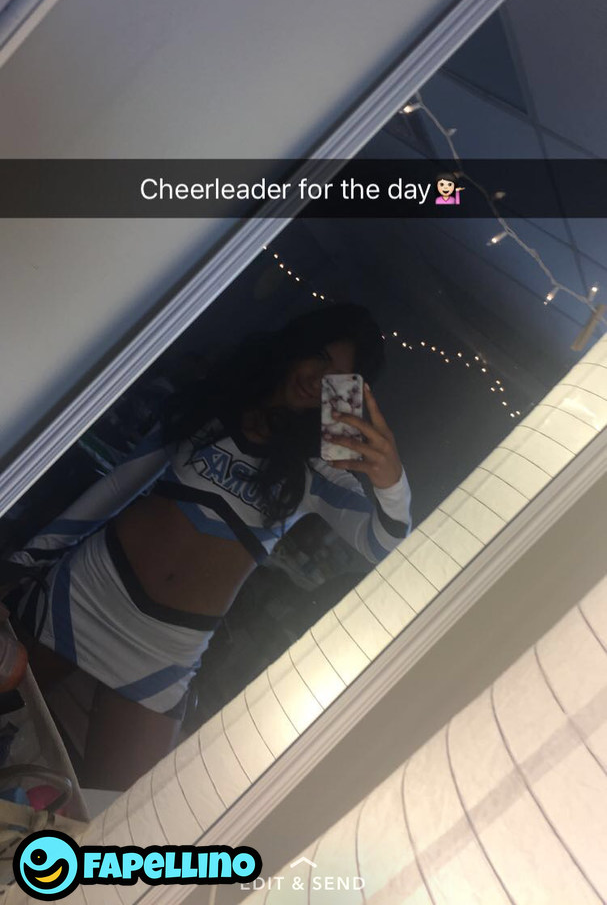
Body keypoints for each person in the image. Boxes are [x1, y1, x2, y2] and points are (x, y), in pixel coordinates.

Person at [3, 304, 411, 789]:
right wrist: (24, 562)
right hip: (82, 598)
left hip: (161, 657)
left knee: (113, 821)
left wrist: (392, 482)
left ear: (347, 397)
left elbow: (384, 544)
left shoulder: (319, 471)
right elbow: (115, 488)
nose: (318, 378)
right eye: (318, 356)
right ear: (297, 346)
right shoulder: (215, 408)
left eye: (337, 379)